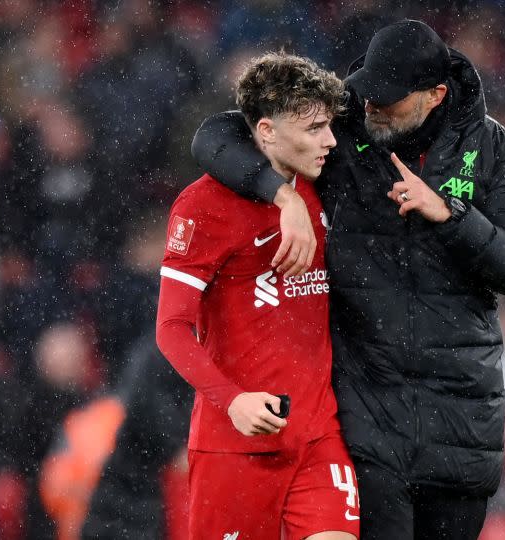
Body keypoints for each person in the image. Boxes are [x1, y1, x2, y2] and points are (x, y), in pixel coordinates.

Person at [191, 20, 505, 539]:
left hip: (461, 422)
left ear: (435, 95)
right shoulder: (342, 131)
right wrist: (281, 194)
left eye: (390, 101)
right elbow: (217, 136)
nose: (373, 108)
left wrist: (449, 214)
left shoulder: (492, 148)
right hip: (368, 419)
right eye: (370, 95)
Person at [155, 52, 359, 540]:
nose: (329, 140)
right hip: (237, 444)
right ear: (266, 132)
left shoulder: (324, 185)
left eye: (329, 126)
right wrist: (232, 401)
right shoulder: (202, 206)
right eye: (313, 128)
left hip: (317, 435)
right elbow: (171, 328)